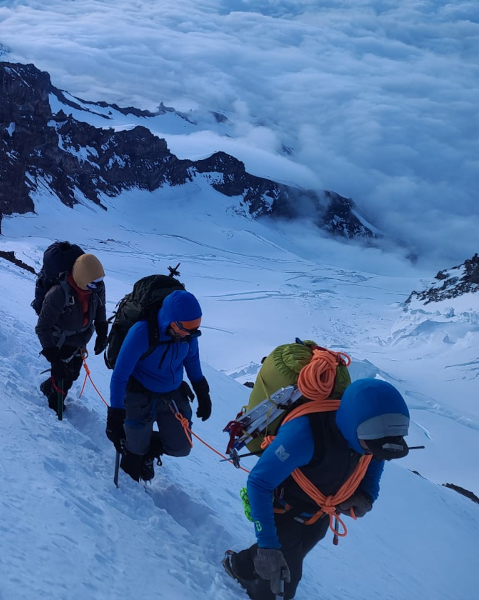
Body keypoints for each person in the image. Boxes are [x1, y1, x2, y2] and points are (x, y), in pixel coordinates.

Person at [223, 378, 411, 600]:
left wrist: (366, 495)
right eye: (372, 446)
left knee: (299, 546)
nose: (373, 452)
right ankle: (252, 580)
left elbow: (375, 458)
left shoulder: (367, 438)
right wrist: (267, 546)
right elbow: (259, 483)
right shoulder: (305, 435)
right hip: (282, 508)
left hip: (319, 510)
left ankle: (240, 564)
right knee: (281, 586)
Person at [105, 290, 211, 483]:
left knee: (181, 447)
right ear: (170, 320)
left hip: (171, 395)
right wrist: (115, 414)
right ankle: (136, 451)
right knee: (135, 451)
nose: (189, 335)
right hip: (139, 394)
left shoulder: (187, 335)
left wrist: (202, 390)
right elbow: (120, 376)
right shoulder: (141, 332)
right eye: (185, 329)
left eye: (194, 329)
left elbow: (192, 358)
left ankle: (146, 450)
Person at [36, 253, 108, 413]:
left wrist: (102, 332)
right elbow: (42, 327)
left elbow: (100, 308)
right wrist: (54, 358)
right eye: (93, 284)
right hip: (60, 340)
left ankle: (48, 386)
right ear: (82, 279)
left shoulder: (96, 288)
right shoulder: (58, 294)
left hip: (81, 337)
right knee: (63, 376)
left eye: (100, 282)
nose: (98, 286)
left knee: (73, 374)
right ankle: (54, 407)